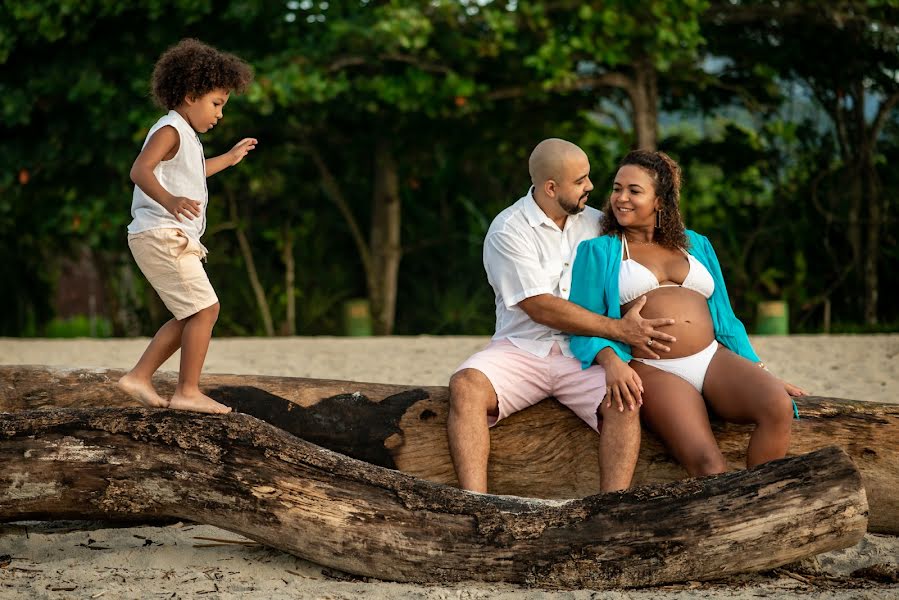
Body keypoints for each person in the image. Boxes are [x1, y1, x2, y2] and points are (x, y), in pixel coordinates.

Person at [448, 138, 678, 494]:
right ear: (551, 188)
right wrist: (618, 329)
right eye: (581, 180)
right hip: (522, 348)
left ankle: (610, 506)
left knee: (627, 397)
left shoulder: (600, 224)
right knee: (465, 386)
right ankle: (475, 504)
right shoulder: (508, 229)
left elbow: (646, 258)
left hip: (585, 352)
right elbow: (539, 306)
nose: (590, 187)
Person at [569, 150, 806, 477]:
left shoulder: (696, 244)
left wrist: (757, 368)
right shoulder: (599, 251)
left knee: (778, 405)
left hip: (713, 358)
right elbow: (583, 322)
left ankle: (765, 499)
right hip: (654, 368)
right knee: (709, 465)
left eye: (634, 191)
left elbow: (725, 317)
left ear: (660, 200)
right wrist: (611, 364)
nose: (620, 198)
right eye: (616, 188)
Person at [117, 39, 256, 414]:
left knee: (193, 312)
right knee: (206, 309)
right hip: (162, 233)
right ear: (191, 94)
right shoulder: (169, 130)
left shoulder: (186, 136)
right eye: (217, 103)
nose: (220, 114)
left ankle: (139, 377)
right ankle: (187, 391)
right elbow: (139, 170)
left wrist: (227, 159)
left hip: (165, 234)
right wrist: (170, 201)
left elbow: (192, 172)